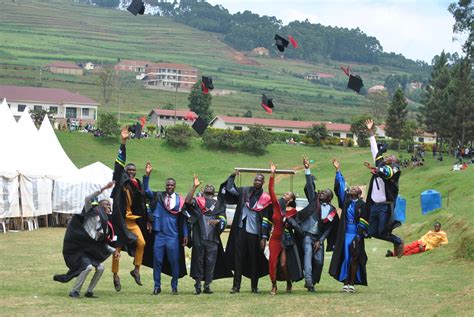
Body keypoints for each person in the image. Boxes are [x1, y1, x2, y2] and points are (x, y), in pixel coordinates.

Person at [54, 182, 118, 298]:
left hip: (90, 251)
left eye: (109, 205)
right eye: (107, 205)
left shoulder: (106, 225)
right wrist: (103, 188)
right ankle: (74, 291)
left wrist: (113, 250)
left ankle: (89, 292)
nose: (109, 207)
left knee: (100, 268)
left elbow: (100, 244)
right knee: (87, 267)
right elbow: (88, 198)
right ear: (99, 206)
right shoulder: (91, 212)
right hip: (79, 249)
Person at [287, 157, 339, 292]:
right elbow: (310, 186)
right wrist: (307, 169)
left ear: (329, 197)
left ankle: (313, 281)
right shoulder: (313, 200)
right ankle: (308, 281)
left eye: (325, 193)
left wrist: (320, 241)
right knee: (308, 256)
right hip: (306, 235)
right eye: (321, 192)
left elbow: (329, 228)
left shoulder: (332, 211)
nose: (321, 193)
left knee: (319, 262)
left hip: (318, 238)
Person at [109, 127, 148, 291]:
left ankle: (136, 269)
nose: (131, 172)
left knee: (142, 243)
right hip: (119, 222)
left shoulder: (136, 184)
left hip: (131, 222)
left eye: (133, 170)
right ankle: (115, 275)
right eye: (129, 170)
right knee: (116, 251)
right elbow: (118, 164)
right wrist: (123, 142)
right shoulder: (120, 180)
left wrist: (147, 177)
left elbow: (144, 196)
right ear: (125, 172)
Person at [221, 171, 272, 294]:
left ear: (263, 182)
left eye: (259, 180)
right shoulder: (244, 191)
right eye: (255, 180)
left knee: (255, 260)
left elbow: (267, 219)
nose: (257, 182)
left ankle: (254, 287)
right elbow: (230, 190)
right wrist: (232, 177)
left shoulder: (266, 198)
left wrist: (264, 237)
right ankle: (236, 287)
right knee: (238, 259)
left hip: (255, 233)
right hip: (240, 230)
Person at [143, 162, 188, 295]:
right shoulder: (158, 196)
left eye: (171, 185)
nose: (169, 187)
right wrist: (147, 175)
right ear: (165, 186)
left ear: (175, 186)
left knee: (174, 262)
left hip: (173, 236)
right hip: (159, 235)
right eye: (167, 185)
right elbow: (146, 191)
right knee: (157, 261)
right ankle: (157, 286)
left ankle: (174, 286)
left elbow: (184, 219)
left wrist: (185, 234)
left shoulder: (180, 200)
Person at [185, 175, 232, 295]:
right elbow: (187, 201)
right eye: (207, 186)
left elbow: (224, 219)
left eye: (211, 186)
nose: (209, 186)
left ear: (214, 190)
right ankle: (197, 285)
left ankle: (207, 285)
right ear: (203, 190)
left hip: (213, 238)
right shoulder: (198, 201)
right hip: (199, 237)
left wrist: (219, 221)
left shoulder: (219, 204)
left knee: (211, 263)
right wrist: (194, 187)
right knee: (198, 261)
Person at [365, 119, 404, 257]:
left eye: (390, 157)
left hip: (385, 206)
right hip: (375, 206)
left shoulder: (395, 169)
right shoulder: (381, 166)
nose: (387, 157)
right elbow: (374, 150)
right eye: (387, 156)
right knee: (373, 232)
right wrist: (370, 131)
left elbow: (386, 173)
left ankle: (398, 241)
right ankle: (394, 240)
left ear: (394, 161)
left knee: (382, 231)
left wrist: (377, 168)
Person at [329, 159, 369, 293]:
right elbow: (341, 187)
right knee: (346, 258)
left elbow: (364, 220)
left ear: (359, 193)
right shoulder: (346, 201)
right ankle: (345, 282)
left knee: (354, 258)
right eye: (352, 187)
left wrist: (359, 235)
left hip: (355, 234)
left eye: (355, 188)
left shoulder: (363, 205)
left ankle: (352, 283)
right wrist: (338, 170)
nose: (353, 187)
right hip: (345, 234)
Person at [267, 162, 302, 295]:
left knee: (283, 264)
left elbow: (296, 225)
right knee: (272, 263)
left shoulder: (293, 211)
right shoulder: (277, 206)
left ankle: (288, 281)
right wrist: (272, 174)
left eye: (287, 194)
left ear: (291, 199)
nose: (285, 195)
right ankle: (274, 285)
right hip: (275, 239)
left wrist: (290, 224)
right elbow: (271, 190)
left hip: (286, 239)